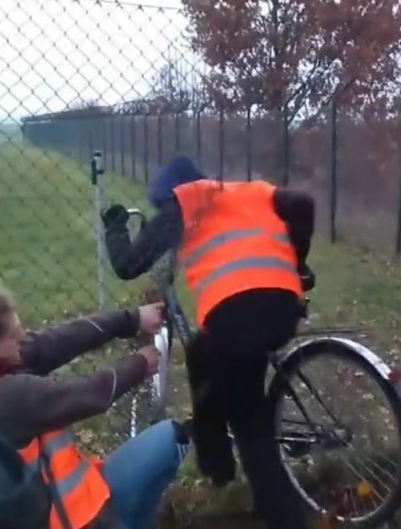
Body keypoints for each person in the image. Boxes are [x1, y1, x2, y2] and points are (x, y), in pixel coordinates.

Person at [101, 156, 314, 529]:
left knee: (250, 422)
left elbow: (127, 265)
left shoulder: (182, 205)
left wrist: (116, 225)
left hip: (237, 318)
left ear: (171, 193)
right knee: (203, 353)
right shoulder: (248, 191)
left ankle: (284, 517)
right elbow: (304, 204)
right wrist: (297, 260)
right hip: (283, 307)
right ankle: (216, 463)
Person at [0, 285, 190, 529]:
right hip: (75, 519)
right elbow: (90, 394)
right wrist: (141, 364)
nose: (22, 340)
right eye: (12, 336)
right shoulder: (6, 398)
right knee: (172, 439)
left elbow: (56, 342)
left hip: (59, 506)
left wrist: (132, 320)